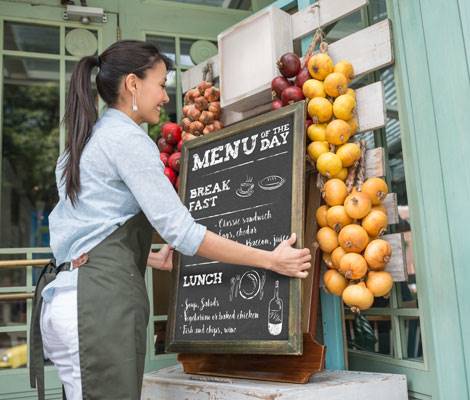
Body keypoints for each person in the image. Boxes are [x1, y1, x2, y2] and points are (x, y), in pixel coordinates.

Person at [29, 40, 311, 400]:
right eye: (161, 84)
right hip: (97, 310)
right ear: (133, 84)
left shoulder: (81, 144)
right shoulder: (128, 139)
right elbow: (183, 232)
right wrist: (271, 259)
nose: (165, 98)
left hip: (65, 302)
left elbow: (86, 232)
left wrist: (147, 254)